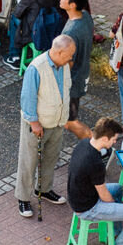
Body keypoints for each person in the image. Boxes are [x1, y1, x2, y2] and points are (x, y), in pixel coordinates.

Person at [17, 34, 75, 218]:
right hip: (38, 124)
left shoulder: (63, 65)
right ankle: (23, 198)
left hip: (57, 122)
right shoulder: (37, 68)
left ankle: (44, 189)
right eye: (69, 55)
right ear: (58, 51)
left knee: (51, 157)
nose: (71, 59)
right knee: (29, 161)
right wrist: (34, 122)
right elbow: (28, 97)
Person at [68, 118, 123, 245]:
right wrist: (116, 208)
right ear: (104, 138)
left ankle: (116, 232)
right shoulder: (95, 163)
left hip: (79, 197)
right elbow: (104, 196)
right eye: (114, 139)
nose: (115, 142)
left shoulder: (84, 144)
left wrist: (117, 209)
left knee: (117, 188)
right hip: (88, 208)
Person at [60, 0, 94, 123]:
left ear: (72, 4)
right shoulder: (85, 16)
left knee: (70, 120)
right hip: (83, 72)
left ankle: (90, 140)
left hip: (72, 80)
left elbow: (69, 63)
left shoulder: (71, 32)